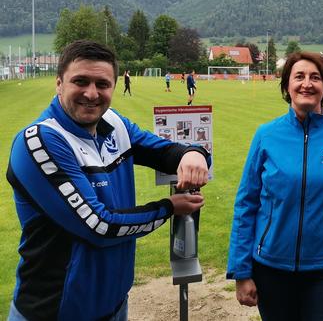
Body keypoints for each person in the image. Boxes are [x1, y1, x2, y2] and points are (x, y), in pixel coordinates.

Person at [6, 40, 211, 321]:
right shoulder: (40, 141)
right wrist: (169, 207)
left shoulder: (115, 123)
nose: (91, 94)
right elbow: (98, 226)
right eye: (80, 81)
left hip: (114, 305)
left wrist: (194, 153)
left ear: (114, 86)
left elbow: (162, 152)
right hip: (56, 311)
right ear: (59, 83)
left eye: (102, 84)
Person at [227, 51, 323, 321]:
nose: (307, 83)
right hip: (272, 269)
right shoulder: (266, 135)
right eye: (299, 77)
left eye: (315, 77)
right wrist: (241, 271)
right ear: (287, 86)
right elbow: (246, 204)